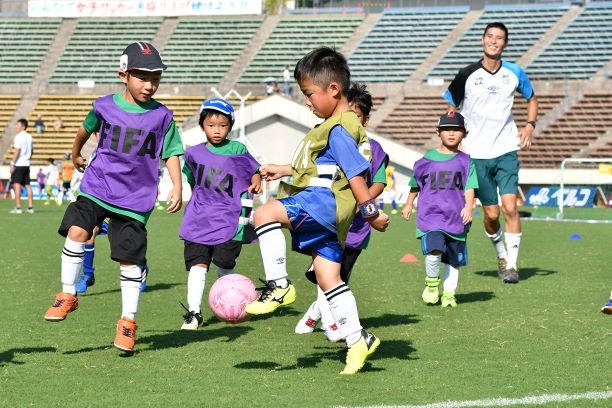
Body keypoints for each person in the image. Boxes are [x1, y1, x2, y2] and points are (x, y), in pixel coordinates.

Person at [243, 47, 389, 375]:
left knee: (264, 214)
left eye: (309, 94)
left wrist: (371, 213)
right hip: (332, 217)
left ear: (333, 90)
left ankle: (278, 286)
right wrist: (283, 169)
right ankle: (358, 339)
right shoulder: (333, 127)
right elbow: (324, 170)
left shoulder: (338, 129)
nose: (307, 101)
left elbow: (354, 173)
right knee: (328, 278)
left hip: (321, 205)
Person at [43, 41, 183, 353]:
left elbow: (171, 152)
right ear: (124, 74)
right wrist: (76, 153)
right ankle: (68, 294)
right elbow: (84, 129)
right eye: (142, 77)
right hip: (98, 185)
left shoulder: (163, 116)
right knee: (77, 231)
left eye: (155, 78)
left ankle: (127, 323)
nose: (149, 85)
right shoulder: (103, 105)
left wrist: (177, 185)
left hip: (135, 199)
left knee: (129, 261)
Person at [443, 22, 538, 284]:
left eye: (499, 38)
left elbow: (531, 98)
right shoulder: (467, 74)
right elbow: (451, 105)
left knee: (510, 207)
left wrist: (529, 125)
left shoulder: (514, 72)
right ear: (483, 40)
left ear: (504, 43)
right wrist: (456, 139)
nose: (494, 41)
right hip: (475, 154)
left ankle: (513, 266)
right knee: (491, 215)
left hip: (506, 149)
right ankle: (500, 254)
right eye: (490, 37)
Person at [295, 82, 389, 342]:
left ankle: (315, 315)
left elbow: (379, 181)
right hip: (329, 218)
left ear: (365, 120)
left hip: (357, 228)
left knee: (338, 278)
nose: (350, 121)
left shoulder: (375, 149)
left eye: (356, 117)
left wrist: (362, 200)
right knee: (327, 275)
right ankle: (331, 324)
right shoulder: (326, 137)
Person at [179, 98, 262, 330]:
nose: (217, 130)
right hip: (199, 219)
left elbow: (253, 170)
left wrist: (256, 181)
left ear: (230, 126)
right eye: (211, 125)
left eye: (223, 125)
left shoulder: (237, 149)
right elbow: (192, 180)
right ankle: (193, 314)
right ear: (202, 126)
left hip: (229, 218)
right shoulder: (193, 153)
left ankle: (233, 305)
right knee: (198, 265)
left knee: (225, 262)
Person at [402, 112, 478, 308]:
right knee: (434, 249)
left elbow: (470, 187)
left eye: (456, 130)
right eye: (446, 129)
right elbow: (415, 184)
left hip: (456, 218)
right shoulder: (426, 160)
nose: (451, 134)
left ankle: (449, 294)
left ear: (465, 133)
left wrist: (468, 207)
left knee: (454, 259)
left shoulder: (467, 161)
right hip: (431, 217)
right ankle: (432, 284)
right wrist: (409, 203)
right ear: (438, 132)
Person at [9, 118, 34, 214]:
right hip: (26, 164)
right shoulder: (30, 137)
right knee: (28, 185)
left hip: (19, 164)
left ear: (23, 126)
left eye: (17, 125)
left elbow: (17, 151)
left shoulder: (18, 137)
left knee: (17, 186)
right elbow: (32, 151)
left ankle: (18, 207)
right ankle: (30, 207)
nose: (16, 126)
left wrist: (12, 163)